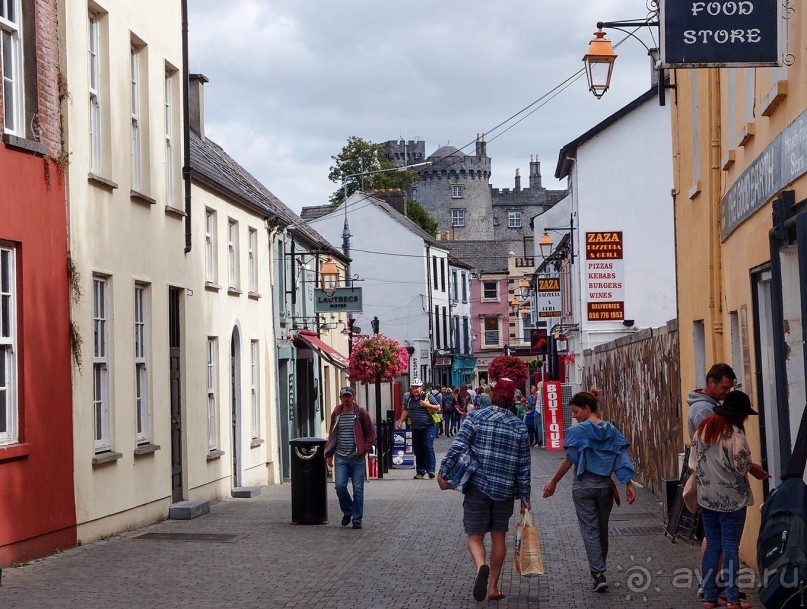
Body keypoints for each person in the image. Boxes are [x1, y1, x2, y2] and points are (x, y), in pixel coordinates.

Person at [437, 378, 531, 602]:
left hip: (477, 486)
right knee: (499, 537)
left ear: (493, 395)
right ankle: (493, 588)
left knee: (475, 536)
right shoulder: (519, 426)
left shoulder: (476, 417)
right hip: (505, 490)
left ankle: (481, 567)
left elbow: (458, 445)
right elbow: (524, 465)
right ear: (513, 401)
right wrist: (525, 497)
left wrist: (443, 473)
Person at [542, 389, 636, 593]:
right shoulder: (611, 430)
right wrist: (628, 484)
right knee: (602, 530)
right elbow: (622, 457)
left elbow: (569, 461)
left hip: (583, 487)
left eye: (575, 412)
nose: (574, 417)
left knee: (589, 531)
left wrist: (553, 481)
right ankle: (599, 567)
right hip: (604, 488)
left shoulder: (579, 432)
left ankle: (598, 573)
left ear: (586, 409)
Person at [690, 390, 768, 609]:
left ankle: (709, 596)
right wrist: (754, 468)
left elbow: (693, 463)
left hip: (706, 498)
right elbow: (741, 466)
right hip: (732, 500)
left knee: (713, 544)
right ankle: (733, 598)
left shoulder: (703, 428)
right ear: (738, 414)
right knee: (730, 546)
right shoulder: (734, 434)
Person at [324, 387, 376, 529]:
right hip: (340, 457)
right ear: (340, 398)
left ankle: (357, 519)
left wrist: (364, 449)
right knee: (340, 486)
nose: (346, 399)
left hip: (357, 458)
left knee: (358, 490)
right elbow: (332, 434)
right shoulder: (336, 413)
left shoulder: (360, 413)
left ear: (354, 397)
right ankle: (348, 511)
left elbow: (371, 433)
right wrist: (329, 454)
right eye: (344, 396)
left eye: (349, 396)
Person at [397, 378, 440, 479]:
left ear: (421, 388)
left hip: (428, 426)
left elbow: (438, 407)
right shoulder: (410, 399)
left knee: (427, 447)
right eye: (413, 388)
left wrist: (426, 405)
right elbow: (406, 411)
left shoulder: (427, 396)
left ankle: (431, 470)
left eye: (417, 387)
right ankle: (420, 471)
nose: (415, 389)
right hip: (416, 427)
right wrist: (400, 422)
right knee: (418, 449)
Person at [687, 363, 737, 438]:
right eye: (724, 388)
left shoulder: (708, 405)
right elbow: (712, 442)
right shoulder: (703, 410)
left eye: (729, 388)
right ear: (711, 382)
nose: (728, 392)